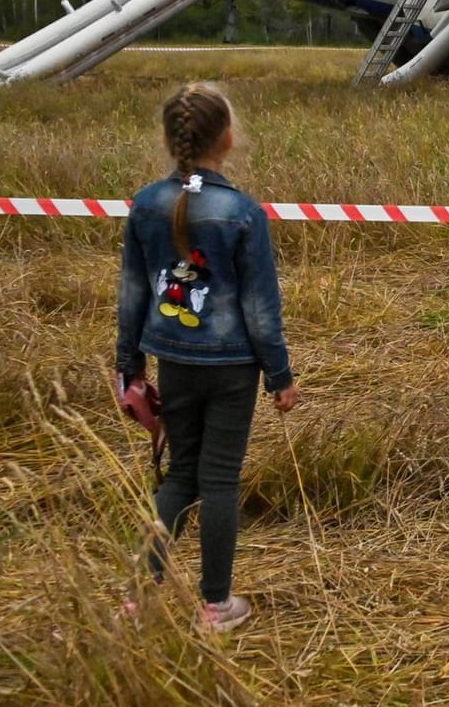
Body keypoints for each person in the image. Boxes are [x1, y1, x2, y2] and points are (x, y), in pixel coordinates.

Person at [116, 82, 299, 633]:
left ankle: (137, 598)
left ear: (171, 140)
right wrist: (280, 375)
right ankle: (216, 606)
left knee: (177, 478)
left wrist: (129, 370)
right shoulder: (243, 213)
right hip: (232, 368)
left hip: (172, 360)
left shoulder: (145, 204)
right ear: (228, 138)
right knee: (219, 481)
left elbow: (132, 293)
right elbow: (260, 305)